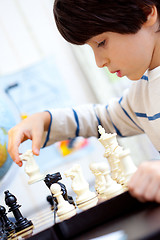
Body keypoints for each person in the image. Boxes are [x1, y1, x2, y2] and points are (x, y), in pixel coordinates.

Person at [8, 0, 160, 203]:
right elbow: (103, 119)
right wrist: (44, 120)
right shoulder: (143, 94)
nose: (99, 62)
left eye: (101, 42)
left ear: (146, 12)